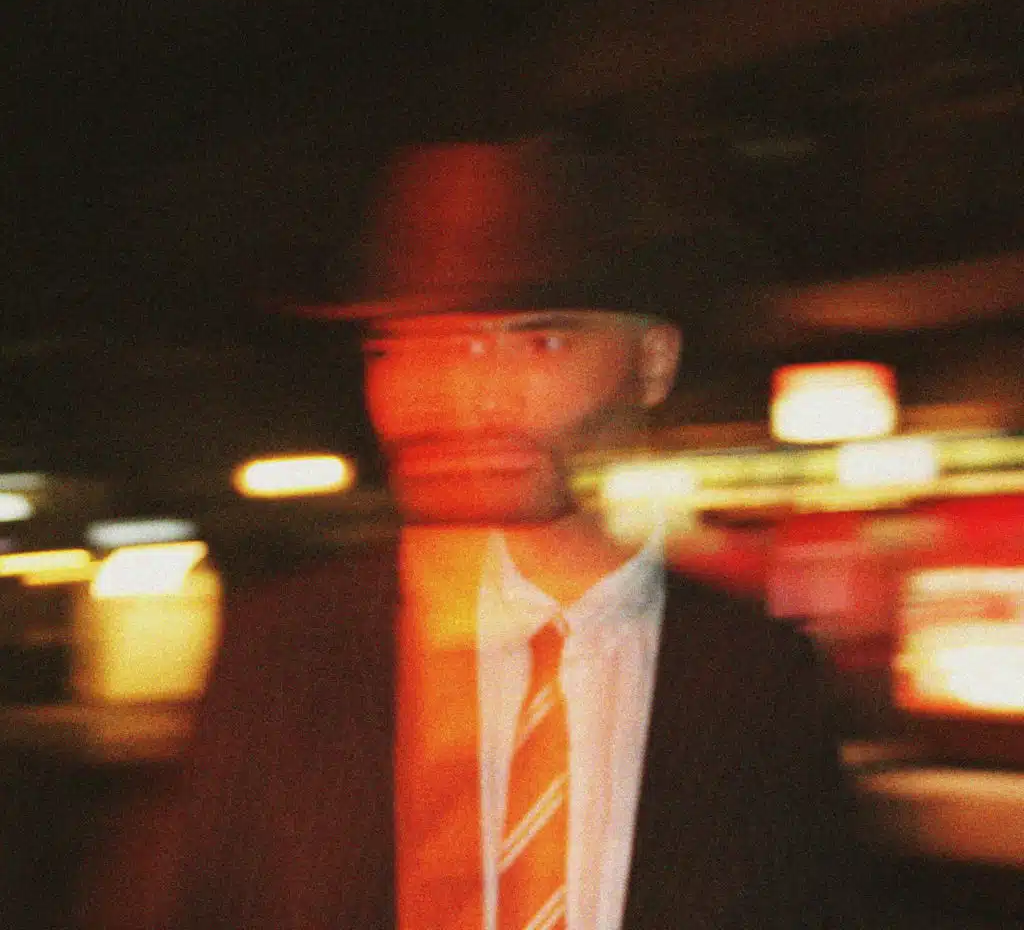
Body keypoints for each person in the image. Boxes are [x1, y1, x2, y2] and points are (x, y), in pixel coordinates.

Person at [82, 133, 875, 929]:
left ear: (652, 362)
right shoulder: (281, 658)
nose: (465, 395)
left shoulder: (755, 676)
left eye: (539, 341)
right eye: (410, 343)